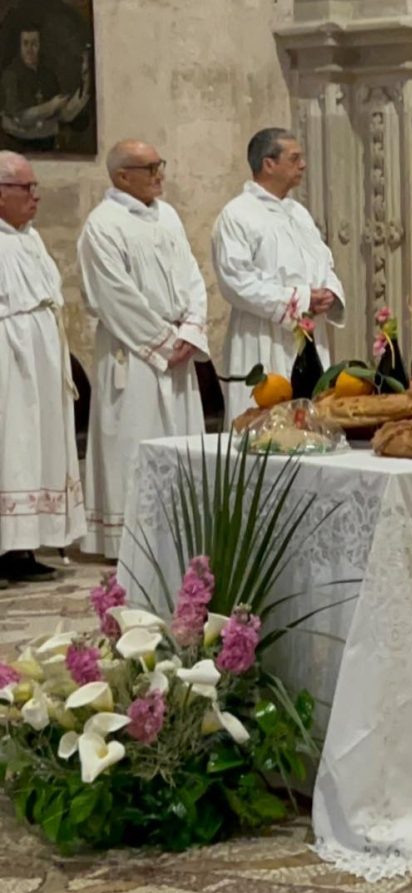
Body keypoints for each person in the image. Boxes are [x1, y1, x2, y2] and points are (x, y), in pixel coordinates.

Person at [77, 140, 209, 559]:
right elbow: (115, 296)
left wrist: (191, 327)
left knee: (182, 443)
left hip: (177, 347)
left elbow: (191, 273)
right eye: (149, 167)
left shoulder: (167, 216)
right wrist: (165, 342)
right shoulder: (102, 225)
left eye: (159, 164)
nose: (160, 174)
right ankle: (129, 539)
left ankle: (183, 533)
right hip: (133, 353)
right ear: (121, 176)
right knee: (134, 441)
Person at [212, 128, 345, 423]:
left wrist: (330, 293)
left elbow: (324, 260)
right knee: (266, 429)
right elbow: (236, 281)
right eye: (294, 158)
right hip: (262, 334)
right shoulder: (237, 215)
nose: (303, 165)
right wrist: (300, 299)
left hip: (308, 334)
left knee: (314, 421)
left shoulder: (298, 213)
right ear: (268, 163)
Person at [0, 151, 85, 583]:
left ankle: (21, 548)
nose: (36, 195)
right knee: (10, 450)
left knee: (35, 451)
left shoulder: (30, 238)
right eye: (25, 187)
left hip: (40, 364)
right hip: (7, 366)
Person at [1, 27, 90, 152]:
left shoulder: (48, 75)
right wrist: (51, 106)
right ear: (19, 46)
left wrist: (82, 93)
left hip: (48, 146)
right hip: (19, 147)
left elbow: (62, 116)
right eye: (25, 43)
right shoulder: (11, 75)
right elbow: (19, 117)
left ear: (40, 45)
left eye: (34, 44)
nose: (29, 49)